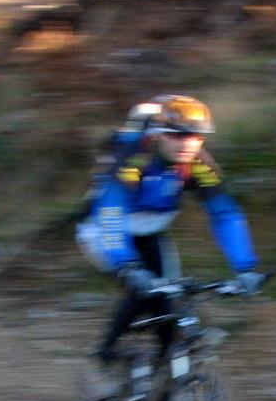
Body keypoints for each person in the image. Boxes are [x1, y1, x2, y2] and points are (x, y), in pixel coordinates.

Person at [76, 94, 264, 384]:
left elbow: (225, 214)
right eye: (177, 135)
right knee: (144, 289)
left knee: (171, 304)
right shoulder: (134, 158)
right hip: (103, 231)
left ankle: (167, 385)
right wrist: (126, 264)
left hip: (151, 232)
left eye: (197, 136)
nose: (188, 143)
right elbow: (111, 212)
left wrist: (245, 267)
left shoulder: (198, 165)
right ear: (157, 134)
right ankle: (104, 357)